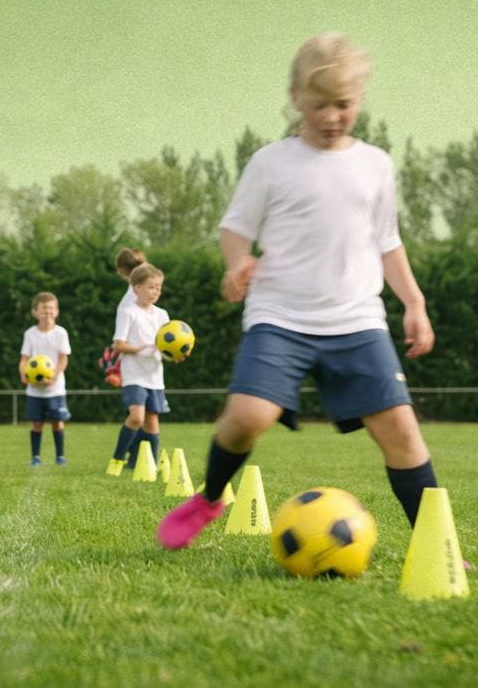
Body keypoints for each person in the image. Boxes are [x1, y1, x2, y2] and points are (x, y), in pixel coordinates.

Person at [158, 32, 439, 550]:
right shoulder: (271, 163)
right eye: (319, 106)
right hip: (280, 317)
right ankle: (210, 497)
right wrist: (237, 262)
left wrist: (415, 303)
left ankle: (435, 544)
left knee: (401, 430)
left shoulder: (376, 165)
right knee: (246, 418)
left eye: (343, 105)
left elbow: (388, 242)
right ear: (295, 100)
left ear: (359, 100)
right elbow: (234, 229)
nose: (332, 117)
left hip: (356, 321)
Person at [106, 263, 170, 476]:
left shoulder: (162, 315)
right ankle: (116, 460)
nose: (156, 292)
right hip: (134, 374)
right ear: (137, 288)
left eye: (159, 288)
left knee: (152, 421)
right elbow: (118, 344)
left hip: (155, 376)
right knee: (136, 417)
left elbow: (166, 346)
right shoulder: (128, 312)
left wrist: (175, 354)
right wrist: (141, 349)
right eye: (151, 287)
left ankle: (149, 465)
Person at [20, 292, 72, 466]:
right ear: (35, 312)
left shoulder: (61, 333)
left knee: (57, 423)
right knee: (37, 424)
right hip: (35, 389)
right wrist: (24, 375)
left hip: (55, 388)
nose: (48, 312)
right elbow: (24, 359)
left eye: (51, 308)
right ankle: (35, 457)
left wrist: (54, 376)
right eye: (43, 309)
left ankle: (60, 456)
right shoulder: (30, 334)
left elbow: (64, 358)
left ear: (56, 311)